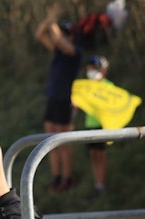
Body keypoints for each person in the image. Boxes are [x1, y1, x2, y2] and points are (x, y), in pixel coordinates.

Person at [35, 5, 82, 192]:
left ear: (70, 36)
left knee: (63, 143)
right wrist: (49, 19)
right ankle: (56, 178)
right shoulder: (59, 52)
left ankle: (67, 178)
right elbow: (39, 35)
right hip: (53, 99)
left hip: (65, 101)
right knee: (50, 140)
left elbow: (57, 38)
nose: (59, 36)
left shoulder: (74, 53)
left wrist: (52, 22)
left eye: (64, 33)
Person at [80, 55, 113, 193]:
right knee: (93, 155)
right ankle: (97, 184)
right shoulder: (87, 86)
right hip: (89, 125)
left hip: (102, 126)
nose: (91, 71)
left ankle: (102, 183)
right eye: (89, 68)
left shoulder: (108, 86)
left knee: (101, 154)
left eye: (94, 68)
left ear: (102, 69)